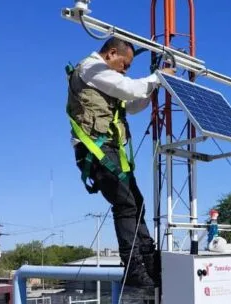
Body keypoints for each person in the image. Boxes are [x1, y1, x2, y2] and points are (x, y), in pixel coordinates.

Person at [66, 37, 174, 287]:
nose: (125, 70)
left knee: (136, 203)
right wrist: (158, 77)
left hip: (109, 150)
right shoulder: (91, 68)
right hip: (96, 150)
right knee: (125, 204)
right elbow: (130, 88)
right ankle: (133, 268)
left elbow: (133, 104)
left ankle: (150, 263)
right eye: (125, 64)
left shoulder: (106, 78)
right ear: (112, 53)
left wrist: (154, 85)